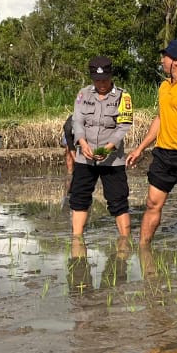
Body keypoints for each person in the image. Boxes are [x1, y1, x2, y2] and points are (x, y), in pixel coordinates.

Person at [126, 40, 177, 247]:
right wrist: (140, 148)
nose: (161, 60)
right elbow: (160, 119)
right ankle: (143, 250)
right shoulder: (164, 86)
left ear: (176, 61)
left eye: (165, 56)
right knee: (152, 204)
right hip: (163, 154)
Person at [69, 56, 134, 237]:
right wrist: (82, 142)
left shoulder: (123, 96)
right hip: (85, 157)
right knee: (79, 198)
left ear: (111, 75)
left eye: (105, 79)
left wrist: (108, 148)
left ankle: (125, 242)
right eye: (97, 80)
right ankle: (76, 239)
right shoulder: (84, 94)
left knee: (118, 200)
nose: (101, 84)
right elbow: (77, 121)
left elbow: (123, 127)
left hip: (112, 159)